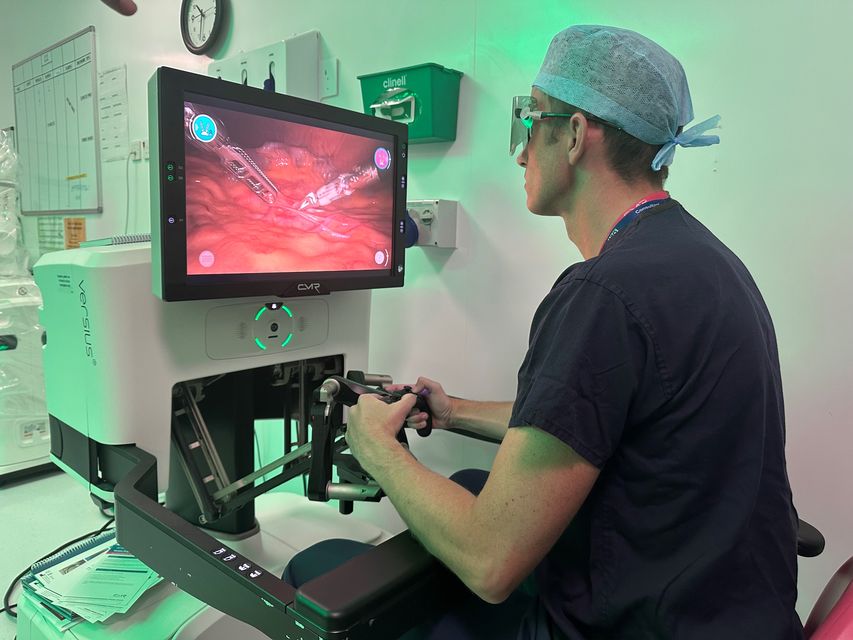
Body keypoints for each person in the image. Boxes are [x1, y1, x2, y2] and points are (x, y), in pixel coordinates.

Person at [296, 25, 804, 639]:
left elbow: (490, 564)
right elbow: (592, 417)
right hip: (725, 609)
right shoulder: (701, 261)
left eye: (529, 120)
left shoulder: (603, 295)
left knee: (318, 571)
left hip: (634, 624)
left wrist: (375, 448)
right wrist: (453, 411)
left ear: (573, 135)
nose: (519, 152)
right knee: (468, 484)